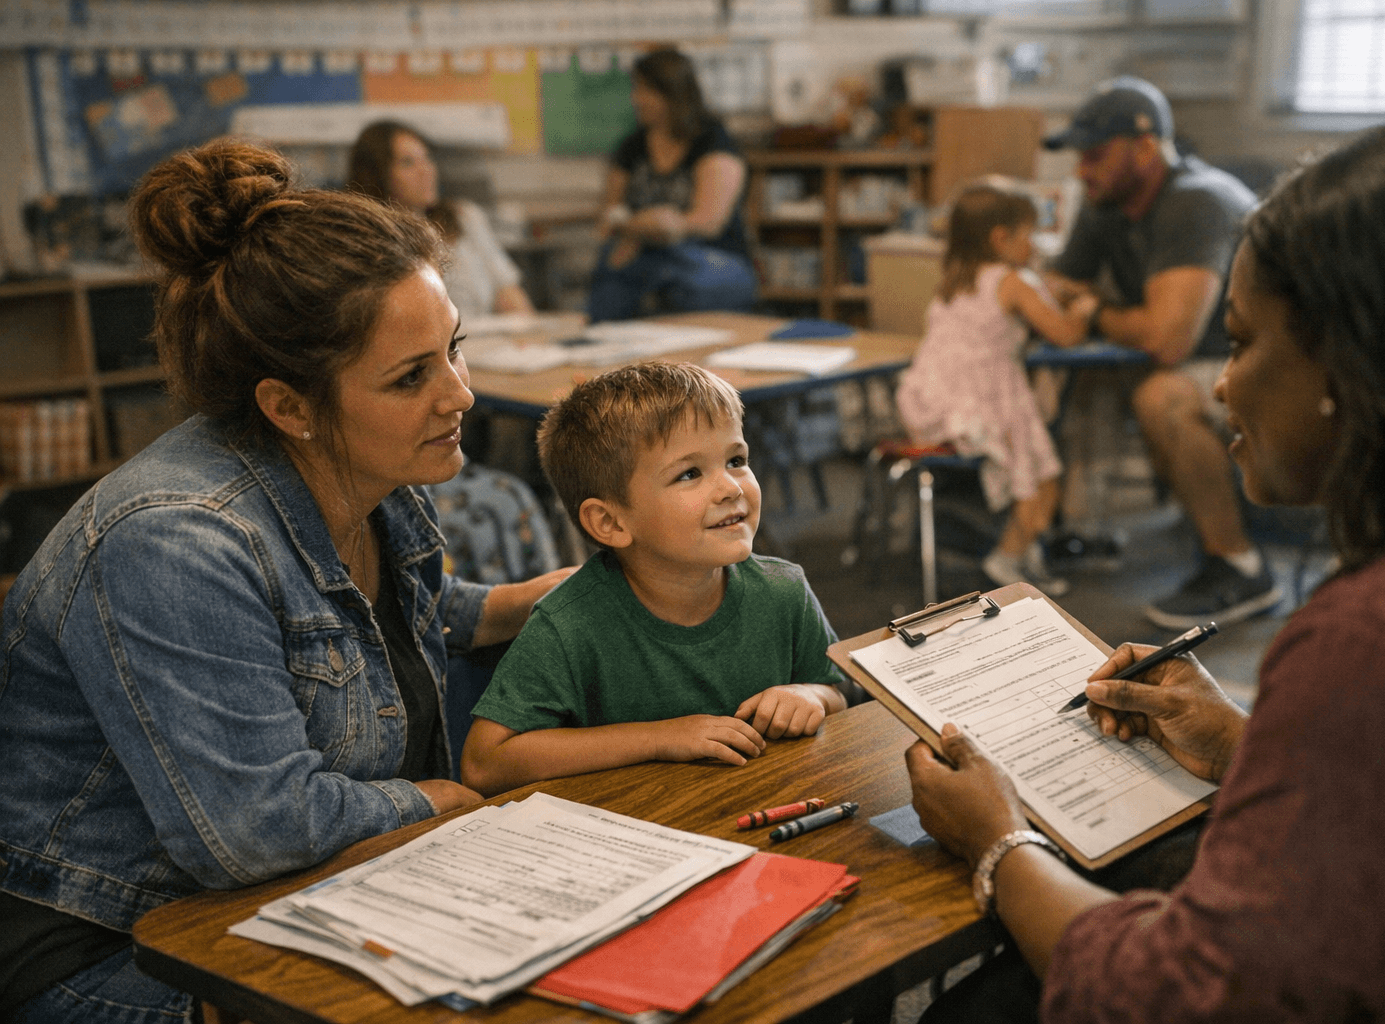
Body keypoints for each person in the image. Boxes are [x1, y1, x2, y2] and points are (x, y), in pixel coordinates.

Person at [906, 107, 1385, 1022]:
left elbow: (1195, 1000)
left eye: (1240, 340)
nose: (1222, 382)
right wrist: (1254, 746)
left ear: (1361, 363)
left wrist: (999, 841)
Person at [0, 139, 572, 1023]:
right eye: (411, 376)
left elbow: (368, 624)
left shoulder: (359, 472)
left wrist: (531, 599)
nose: (461, 394)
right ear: (289, 407)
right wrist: (439, 799)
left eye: (453, 349)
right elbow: (258, 830)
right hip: (123, 946)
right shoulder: (174, 542)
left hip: (284, 898)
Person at [461, 361, 852, 795]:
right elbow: (485, 763)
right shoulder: (568, 623)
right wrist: (660, 737)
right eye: (690, 473)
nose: (731, 488)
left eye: (736, 460)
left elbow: (841, 693)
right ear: (610, 522)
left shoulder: (784, 591)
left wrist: (811, 697)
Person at [1041, 76, 1278, 629]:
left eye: (1095, 155)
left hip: (1271, 363)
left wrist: (1097, 310)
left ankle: (1241, 567)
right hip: (1203, 356)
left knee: (1163, 397)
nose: (1082, 170)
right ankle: (1086, 531)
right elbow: (1057, 286)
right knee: (1084, 376)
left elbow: (1167, 339)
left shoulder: (1197, 201)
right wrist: (1104, 310)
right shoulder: (1107, 203)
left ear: (1146, 148)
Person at [896, 179, 1100, 596]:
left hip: (934, 403)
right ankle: (1006, 561)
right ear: (1001, 238)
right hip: (988, 403)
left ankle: (1025, 557)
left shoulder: (953, 281)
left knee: (1033, 473)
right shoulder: (1012, 280)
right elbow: (1063, 333)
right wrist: (1085, 307)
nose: (1037, 245)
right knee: (1044, 476)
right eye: (1030, 234)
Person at [586, 48, 756, 323]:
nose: (637, 100)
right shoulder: (632, 146)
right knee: (613, 269)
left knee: (683, 277)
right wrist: (638, 228)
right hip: (641, 253)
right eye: (637, 90)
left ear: (674, 94)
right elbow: (608, 217)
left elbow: (709, 222)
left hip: (707, 257)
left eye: (646, 91)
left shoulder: (713, 141)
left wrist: (664, 226)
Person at [348, 119, 534, 317]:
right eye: (408, 162)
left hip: (488, 341)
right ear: (376, 173)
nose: (425, 170)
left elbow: (507, 290)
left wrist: (533, 336)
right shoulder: (367, 238)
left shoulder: (463, 216)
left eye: (427, 158)